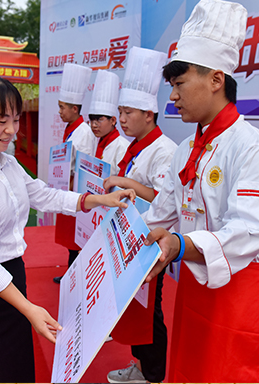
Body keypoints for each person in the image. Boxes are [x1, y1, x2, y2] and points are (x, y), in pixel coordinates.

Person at [0, 74, 136, 383]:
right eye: (1, 120)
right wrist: (29, 309)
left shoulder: (7, 162)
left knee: (19, 368)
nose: (12, 131)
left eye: (15, 119)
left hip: (13, 278)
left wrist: (98, 199)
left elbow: (43, 194)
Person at [143, 0, 259, 382]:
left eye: (179, 84)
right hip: (193, 290)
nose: (172, 97)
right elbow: (159, 216)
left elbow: (248, 231)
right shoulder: (183, 152)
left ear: (215, 80)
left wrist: (178, 245)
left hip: (239, 296)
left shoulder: (249, 145)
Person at [105, 46, 177, 384]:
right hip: (127, 240)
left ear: (149, 113)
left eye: (128, 112)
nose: (121, 119)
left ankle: (154, 375)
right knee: (134, 311)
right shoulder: (133, 145)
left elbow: (165, 198)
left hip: (151, 243)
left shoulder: (165, 151)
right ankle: (141, 365)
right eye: (119, 111)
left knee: (151, 313)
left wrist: (124, 181)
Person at [54, 63, 97, 284]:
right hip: (67, 186)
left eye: (62, 107)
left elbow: (84, 166)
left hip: (77, 189)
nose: (60, 112)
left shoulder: (84, 132)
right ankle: (71, 272)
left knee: (77, 236)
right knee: (70, 236)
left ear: (74, 109)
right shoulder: (72, 129)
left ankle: (75, 275)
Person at [89, 69, 129, 175]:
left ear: (113, 120)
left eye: (99, 120)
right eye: (92, 120)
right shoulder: (96, 142)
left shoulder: (122, 147)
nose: (94, 125)